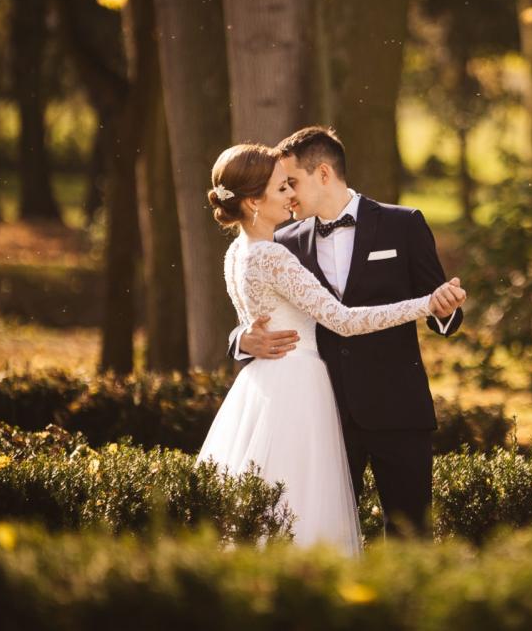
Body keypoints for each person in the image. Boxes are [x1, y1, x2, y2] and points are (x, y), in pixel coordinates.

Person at [198, 142, 465, 554]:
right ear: (254, 200)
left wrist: (438, 308)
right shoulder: (281, 242)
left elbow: (443, 312)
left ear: (323, 174)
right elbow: (311, 316)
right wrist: (242, 340)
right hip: (323, 411)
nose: (289, 194)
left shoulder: (403, 224)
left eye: (292, 183)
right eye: (281, 186)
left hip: (395, 406)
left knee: (410, 538)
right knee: (310, 525)